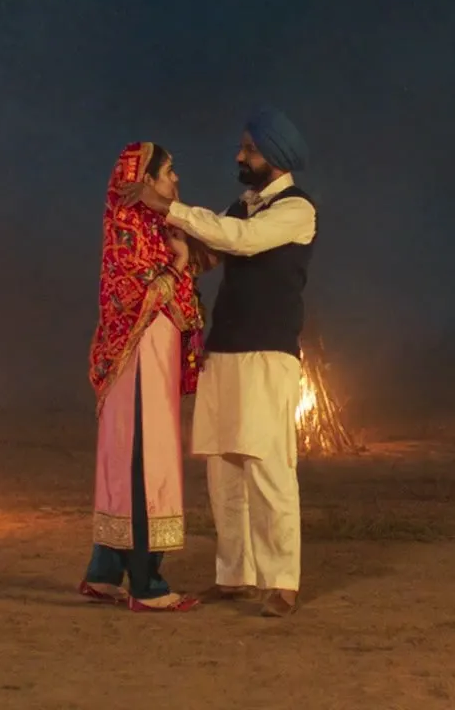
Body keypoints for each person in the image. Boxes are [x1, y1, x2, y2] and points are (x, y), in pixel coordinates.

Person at [118, 107, 316, 618]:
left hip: (267, 356)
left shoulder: (297, 210)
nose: (240, 156)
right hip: (224, 351)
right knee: (223, 470)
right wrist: (178, 247)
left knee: (268, 466)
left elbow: (240, 241)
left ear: (274, 155)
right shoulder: (242, 207)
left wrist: (170, 207)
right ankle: (235, 574)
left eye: (249, 149)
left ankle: (282, 580)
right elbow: (215, 251)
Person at [80, 141, 206, 613]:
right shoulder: (131, 229)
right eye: (168, 172)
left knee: (125, 461)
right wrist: (179, 262)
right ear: (145, 180)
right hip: (139, 364)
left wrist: (181, 254)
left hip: (143, 363)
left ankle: (105, 573)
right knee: (144, 463)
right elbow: (148, 292)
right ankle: (145, 585)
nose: (176, 180)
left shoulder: (150, 227)